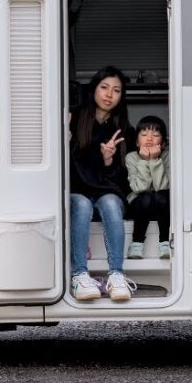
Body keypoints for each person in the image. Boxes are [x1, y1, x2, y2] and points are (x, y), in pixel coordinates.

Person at [68, 67, 134, 301]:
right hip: (77, 188)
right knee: (83, 206)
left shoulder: (123, 129)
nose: (109, 94)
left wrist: (108, 160)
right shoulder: (75, 119)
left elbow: (124, 175)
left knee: (111, 206)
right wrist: (99, 156)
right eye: (104, 87)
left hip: (107, 188)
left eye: (116, 90)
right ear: (94, 89)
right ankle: (79, 275)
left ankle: (116, 274)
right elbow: (71, 161)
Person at [125, 116, 171, 260]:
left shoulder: (168, 156)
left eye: (156, 135)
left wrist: (155, 160)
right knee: (145, 197)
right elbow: (139, 187)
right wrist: (145, 160)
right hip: (140, 204)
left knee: (160, 196)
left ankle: (165, 242)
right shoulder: (131, 157)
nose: (149, 139)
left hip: (162, 204)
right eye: (144, 135)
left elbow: (162, 186)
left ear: (163, 143)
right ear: (137, 142)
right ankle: (137, 243)